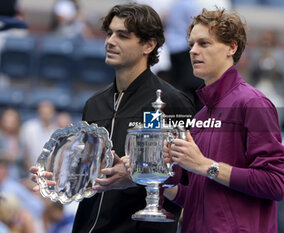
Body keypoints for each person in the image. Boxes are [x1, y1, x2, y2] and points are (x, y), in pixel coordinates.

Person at [31, 3, 195, 233]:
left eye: (122, 35)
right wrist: (58, 177)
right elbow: (90, 175)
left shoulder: (171, 102)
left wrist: (134, 175)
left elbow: (186, 180)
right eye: (109, 33)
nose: (110, 41)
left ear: (149, 45)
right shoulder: (94, 104)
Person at [162, 8, 284, 233]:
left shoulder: (253, 103)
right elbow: (204, 199)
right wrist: (161, 183)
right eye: (191, 44)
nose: (193, 51)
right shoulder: (201, 116)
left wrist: (205, 166)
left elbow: (275, 183)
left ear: (231, 47)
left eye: (204, 43)